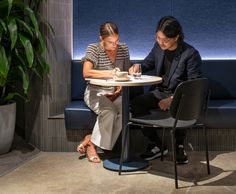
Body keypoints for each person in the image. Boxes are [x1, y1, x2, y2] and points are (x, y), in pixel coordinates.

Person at [129, 16, 202, 164]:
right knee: (137, 103)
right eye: (158, 38)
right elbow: (147, 63)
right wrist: (138, 66)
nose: (161, 42)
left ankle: (179, 145)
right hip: (160, 92)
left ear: (176, 37)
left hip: (180, 95)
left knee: (182, 105)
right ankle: (156, 144)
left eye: (165, 40)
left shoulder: (190, 54)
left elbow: (193, 86)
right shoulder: (158, 47)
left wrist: (172, 99)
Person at [77, 22, 130, 163]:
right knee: (110, 112)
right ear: (101, 38)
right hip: (95, 91)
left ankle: (91, 141)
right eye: (110, 42)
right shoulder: (94, 49)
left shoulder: (123, 49)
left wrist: (119, 86)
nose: (115, 45)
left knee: (126, 112)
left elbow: (125, 74)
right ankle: (92, 147)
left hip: (116, 92)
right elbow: (86, 72)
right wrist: (110, 73)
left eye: (117, 41)